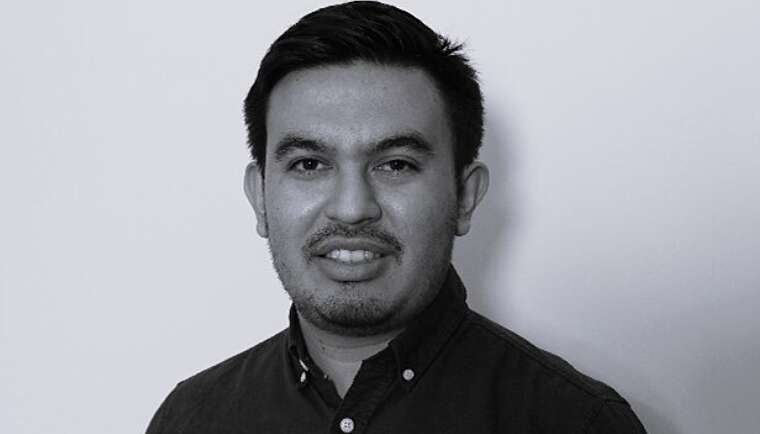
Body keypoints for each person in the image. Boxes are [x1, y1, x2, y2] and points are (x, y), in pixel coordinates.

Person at [146, 2, 647, 433]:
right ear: (260, 198)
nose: (351, 208)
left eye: (396, 165)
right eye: (309, 164)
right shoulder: (191, 418)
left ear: (465, 197)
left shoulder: (576, 422)